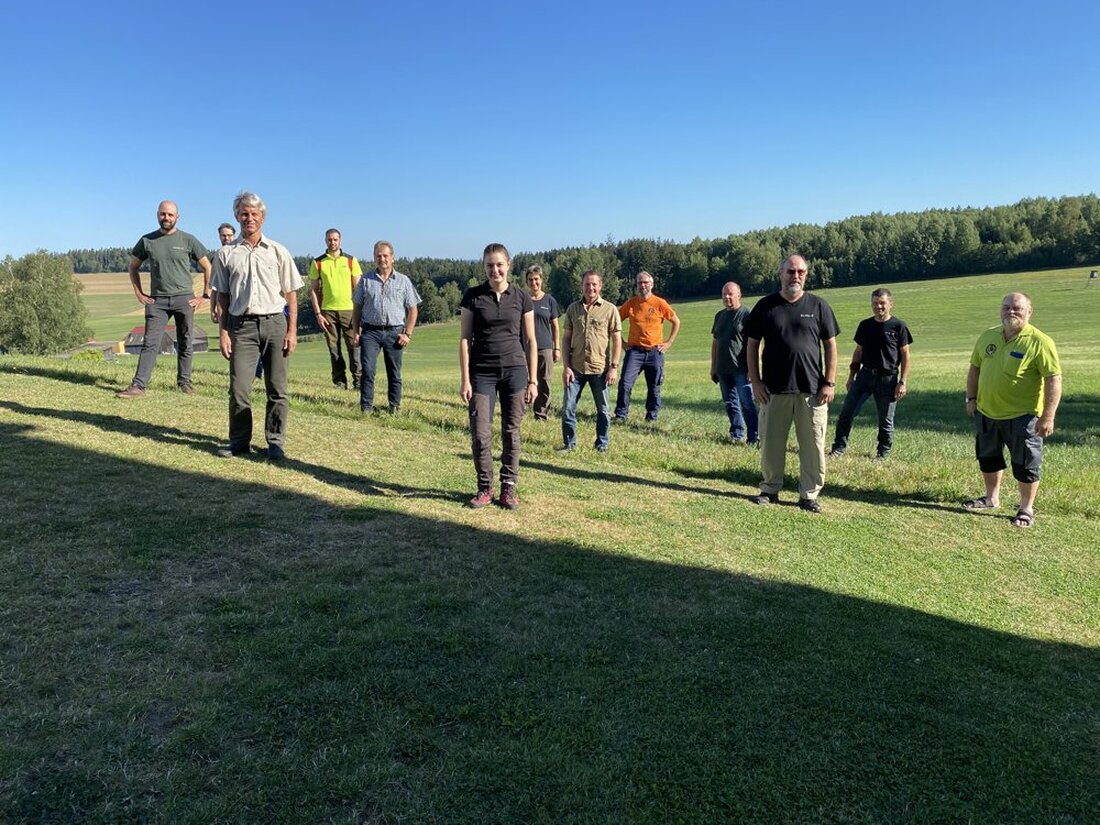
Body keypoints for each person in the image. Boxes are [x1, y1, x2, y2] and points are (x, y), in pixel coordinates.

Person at [211, 191, 303, 460]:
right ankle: (239, 442)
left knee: (277, 388)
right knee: (239, 388)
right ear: (236, 216)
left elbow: (291, 294)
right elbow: (223, 297)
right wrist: (224, 332)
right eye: (244, 213)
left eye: (254, 213)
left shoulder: (278, 251)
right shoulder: (226, 254)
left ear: (262, 217)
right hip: (241, 327)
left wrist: (292, 330)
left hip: (275, 323)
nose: (249, 218)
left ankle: (275, 442)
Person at [744, 254, 840, 513]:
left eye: (800, 272)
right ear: (780, 274)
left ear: (806, 275)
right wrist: (755, 381)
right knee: (771, 442)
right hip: (773, 389)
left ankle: (809, 494)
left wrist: (829, 382)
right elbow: (751, 346)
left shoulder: (819, 306)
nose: (795, 276)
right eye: (790, 271)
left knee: (813, 445)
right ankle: (770, 489)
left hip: (812, 390)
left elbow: (831, 346)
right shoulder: (766, 306)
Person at [963, 292, 1062, 528]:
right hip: (986, 412)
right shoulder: (988, 336)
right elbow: (975, 368)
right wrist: (972, 398)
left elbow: (1053, 379)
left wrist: (1048, 416)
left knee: (1026, 464)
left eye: (1017, 308)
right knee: (988, 458)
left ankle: (1026, 508)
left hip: (1023, 416)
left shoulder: (1040, 341)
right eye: (1006, 307)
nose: (1011, 312)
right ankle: (991, 498)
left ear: (1029, 311)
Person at [459, 243, 537, 509]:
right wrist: (465, 379)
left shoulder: (521, 297)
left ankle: (508, 489)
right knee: (481, 433)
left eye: (499, 264)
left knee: (511, 432)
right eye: (490, 265)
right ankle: (484, 487)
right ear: (484, 267)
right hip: (482, 373)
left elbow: (530, 340)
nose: (495, 270)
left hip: (515, 371)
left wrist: (533, 380)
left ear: (508, 265)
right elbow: (464, 340)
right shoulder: (473, 296)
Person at [116, 200, 211, 398]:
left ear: (177, 217)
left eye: (170, 215)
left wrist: (205, 295)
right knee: (150, 343)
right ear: (157, 215)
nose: (166, 218)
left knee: (185, 341)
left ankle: (184, 382)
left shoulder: (188, 240)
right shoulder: (147, 241)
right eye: (163, 214)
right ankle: (138, 386)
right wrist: (139, 293)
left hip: (184, 299)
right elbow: (133, 266)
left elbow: (207, 266)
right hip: (157, 302)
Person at [828, 288, 913, 460]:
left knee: (885, 420)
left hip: (888, 379)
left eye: (882, 303)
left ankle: (883, 453)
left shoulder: (899, 326)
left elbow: (905, 356)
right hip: (864, 376)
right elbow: (858, 352)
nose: (878, 307)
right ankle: (838, 448)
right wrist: (851, 376)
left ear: (890, 304)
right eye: (875, 303)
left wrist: (902, 382)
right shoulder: (865, 325)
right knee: (847, 413)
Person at [352, 240, 421, 414]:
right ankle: (366, 408)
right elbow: (357, 307)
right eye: (378, 256)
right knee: (367, 370)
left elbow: (413, 309)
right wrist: (356, 331)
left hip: (395, 332)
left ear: (392, 258)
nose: (382, 259)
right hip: (370, 331)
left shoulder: (403, 281)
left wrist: (408, 334)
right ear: (374, 258)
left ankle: (394, 408)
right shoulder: (365, 280)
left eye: (385, 255)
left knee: (394, 373)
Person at [558, 270, 622, 453]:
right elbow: (566, 339)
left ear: (600, 286)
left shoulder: (610, 310)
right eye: (587, 284)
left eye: (594, 284)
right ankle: (569, 444)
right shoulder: (572, 309)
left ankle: (601, 444)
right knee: (568, 408)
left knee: (603, 410)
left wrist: (614, 367)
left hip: (600, 369)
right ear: (582, 286)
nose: (590, 287)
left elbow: (617, 340)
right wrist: (566, 367)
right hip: (575, 369)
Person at [613, 271, 680, 423]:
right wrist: (622, 343)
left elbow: (676, 322)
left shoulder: (660, 303)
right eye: (639, 283)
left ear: (651, 284)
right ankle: (621, 415)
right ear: (636, 285)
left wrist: (668, 343)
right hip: (634, 351)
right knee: (625, 383)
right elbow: (614, 322)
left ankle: (651, 416)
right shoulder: (631, 303)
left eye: (645, 282)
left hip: (655, 351)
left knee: (654, 386)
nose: (642, 285)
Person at [310, 228, 363, 390]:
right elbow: (313, 290)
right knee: (334, 349)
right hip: (328, 312)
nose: (332, 242)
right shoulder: (318, 262)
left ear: (340, 240)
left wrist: (359, 313)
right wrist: (318, 313)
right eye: (329, 240)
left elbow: (358, 289)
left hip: (349, 310)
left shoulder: (350, 260)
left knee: (354, 346)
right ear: (325, 241)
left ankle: (359, 380)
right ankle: (340, 381)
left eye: (335, 239)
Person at [710, 281, 758, 444]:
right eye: (724, 294)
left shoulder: (746, 315)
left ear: (739, 295)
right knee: (730, 403)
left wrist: (752, 369)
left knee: (747, 403)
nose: (727, 297)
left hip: (742, 368)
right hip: (723, 368)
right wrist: (713, 366)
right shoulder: (719, 316)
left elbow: (755, 343)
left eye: (730, 294)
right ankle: (737, 433)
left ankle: (754, 436)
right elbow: (715, 342)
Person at [524, 265, 561, 421]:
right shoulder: (523, 299)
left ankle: (541, 414)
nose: (534, 283)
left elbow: (555, 326)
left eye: (536, 279)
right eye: (531, 280)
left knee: (544, 381)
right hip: (525, 347)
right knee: (524, 380)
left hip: (545, 347)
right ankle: (520, 411)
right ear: (527, 282)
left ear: (541, 280)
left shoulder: (549, 300)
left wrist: (556, 347)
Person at [209, 222, 236, 324]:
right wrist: (212, 309)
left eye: (229, 235)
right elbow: (215, 287)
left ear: (234, 236)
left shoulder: (241, 253)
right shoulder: (218, 256)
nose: (227, 238)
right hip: (224, 303)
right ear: (219, 236)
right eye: (223, 235)